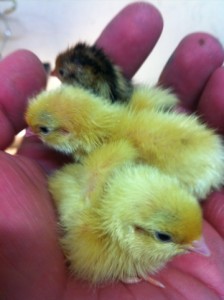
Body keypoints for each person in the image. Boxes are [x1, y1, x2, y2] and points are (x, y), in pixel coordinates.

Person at [0, 2, 224, 299]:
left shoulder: (110, 157)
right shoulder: (116, 151)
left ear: (68, 134)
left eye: (40, 130)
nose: (30, 134)